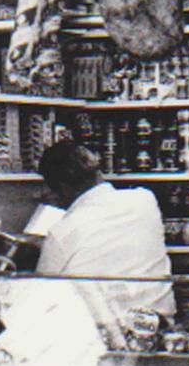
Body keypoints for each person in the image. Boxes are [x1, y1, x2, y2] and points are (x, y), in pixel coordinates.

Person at [34, 140, 176, 333]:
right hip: (160, 328)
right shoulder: (145, 200)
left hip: (103, 337)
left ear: (61, 187)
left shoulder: (62, 231)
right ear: (98, 173)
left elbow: (42, 295)